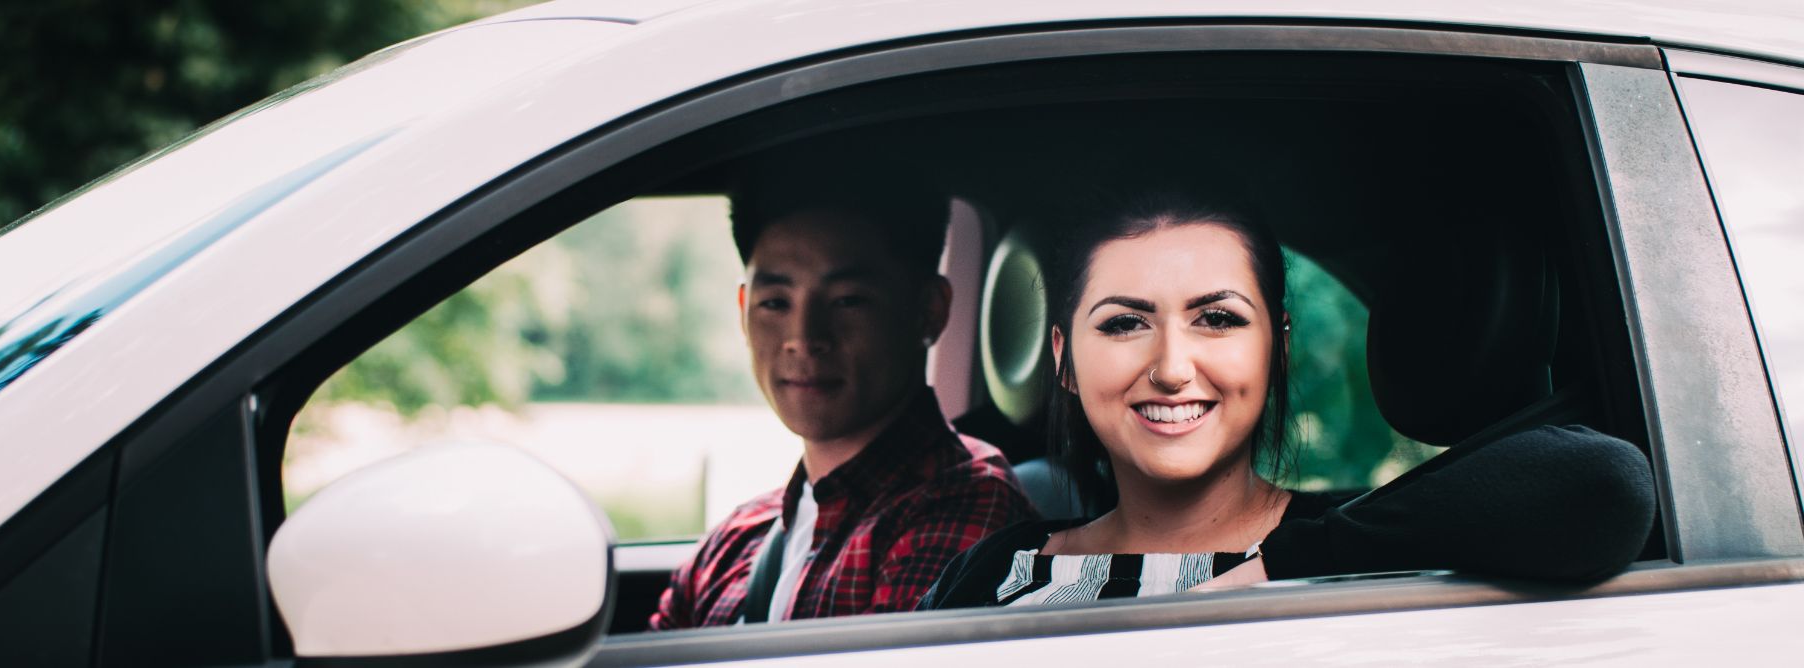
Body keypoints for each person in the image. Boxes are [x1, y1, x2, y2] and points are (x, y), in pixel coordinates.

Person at [917, 181, 1658, 609]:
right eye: (1123, 323)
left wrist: (1278, 566)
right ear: (1065, 361)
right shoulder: (997, 572)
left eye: (1217, 319)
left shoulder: (1366, 548)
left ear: (1275, 351)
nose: (1173, 367)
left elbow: (1603, 487)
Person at [650, 162, 1037, 629]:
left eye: (848, 300)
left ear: (928, 312)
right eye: (775, 302)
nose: (804, 337)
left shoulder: (966, 503)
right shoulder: (736, 538)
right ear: (743, 311)